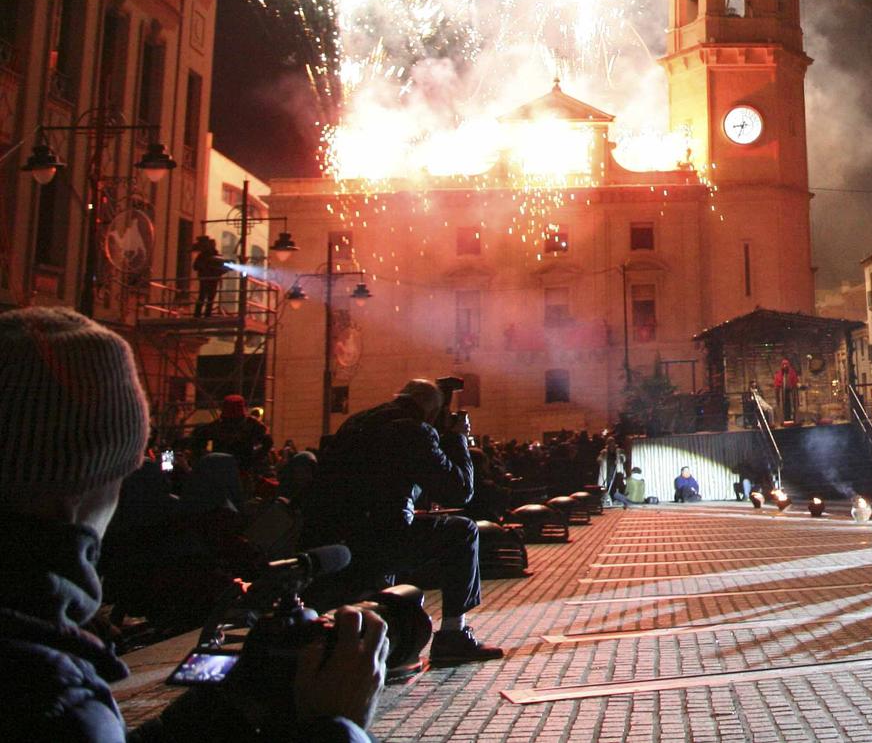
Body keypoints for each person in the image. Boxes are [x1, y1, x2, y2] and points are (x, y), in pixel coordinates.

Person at [0, 306, 385, 741]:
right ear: (89, 479)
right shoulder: (55, 700)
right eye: (125, 472)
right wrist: (338, 727)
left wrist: (231, 702)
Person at [302, 380, 504, 665]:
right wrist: (458, 438)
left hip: (334, 540)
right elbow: (459, 491)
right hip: (377, 539)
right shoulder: (413, 429)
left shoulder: (358, 422)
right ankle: (453, 636)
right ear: (432, 412)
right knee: (463, 531)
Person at [190, 235, 229, 319]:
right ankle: (201, 315)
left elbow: (220, 268)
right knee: (205, 297)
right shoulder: (204, 256)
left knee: (208, 297)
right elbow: (196, 266)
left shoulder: (213, 256)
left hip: (211, 279)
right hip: (207, 279)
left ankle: (201, 315)